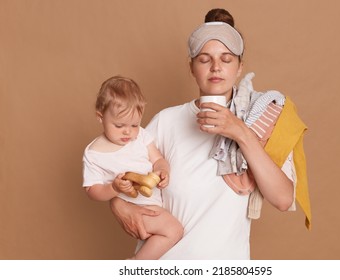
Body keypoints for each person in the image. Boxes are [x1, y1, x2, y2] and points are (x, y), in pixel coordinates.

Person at [110, 8, 311, 259]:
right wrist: (118, 205)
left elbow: (282, 199)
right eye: (204, 59)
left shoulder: (261, 120)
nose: (216, 67)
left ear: (239, 68)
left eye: (226, 59)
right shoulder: (166, 122)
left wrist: (240, 132)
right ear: (192, 68)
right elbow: (117, 175)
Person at [82, 76, 183, 260]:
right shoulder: (94, 153)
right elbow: (92, 190)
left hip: (153, 204)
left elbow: (158, 159)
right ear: (100, 117)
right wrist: (113, 188)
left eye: (134, 125)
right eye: (119, 125)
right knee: (174, 230)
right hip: (136, 207)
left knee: (166, 243)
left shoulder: (142, 136)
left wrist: (163, 170)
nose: (128, 132)